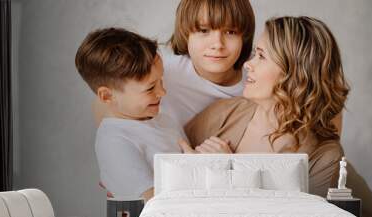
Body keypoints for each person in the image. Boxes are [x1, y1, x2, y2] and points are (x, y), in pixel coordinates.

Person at [181, 16, 372, 217]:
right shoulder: (226, 113)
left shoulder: (322, 157)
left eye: (261, 56)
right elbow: (174, 159)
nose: (248, 64)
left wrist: (227, 174)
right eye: (255, 53)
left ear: (293, 74)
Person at [93, 0, 256, 128]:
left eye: (230, 32)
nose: (217, 44)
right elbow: (108, 104)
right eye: (204, 31)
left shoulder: (258, 74)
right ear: (186, 34)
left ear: (244, 36)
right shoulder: (163, 70)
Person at [75, 28, 185, 201]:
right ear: (107, 96)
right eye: (150, 88)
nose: (162, 92)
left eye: (161, 81)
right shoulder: (115, 142)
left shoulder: (162, 120)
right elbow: (151, 203)